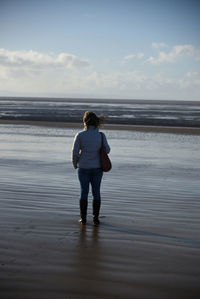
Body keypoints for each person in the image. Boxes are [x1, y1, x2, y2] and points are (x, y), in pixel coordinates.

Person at [71, 111, 111, 226]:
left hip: (83, 167)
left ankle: (83, 219)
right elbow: (107, 150)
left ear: (85, 121)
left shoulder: (80, 135)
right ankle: (95, 219)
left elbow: (74, 152)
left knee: (84, 192)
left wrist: (75, 164)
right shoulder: (101, 135)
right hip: (97, 167)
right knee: (96, 193)